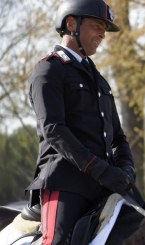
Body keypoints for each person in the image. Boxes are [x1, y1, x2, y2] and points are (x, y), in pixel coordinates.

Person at [26, 0, 136, 244]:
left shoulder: (100, 81)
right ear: (71, 24)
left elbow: (118, 137)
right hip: (66, 183)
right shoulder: (49, 70)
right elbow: (54, 131)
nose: (102, 34)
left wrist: (127, 168)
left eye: (104, 30)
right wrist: (102, 171)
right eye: (97, 25)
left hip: (107, 184)